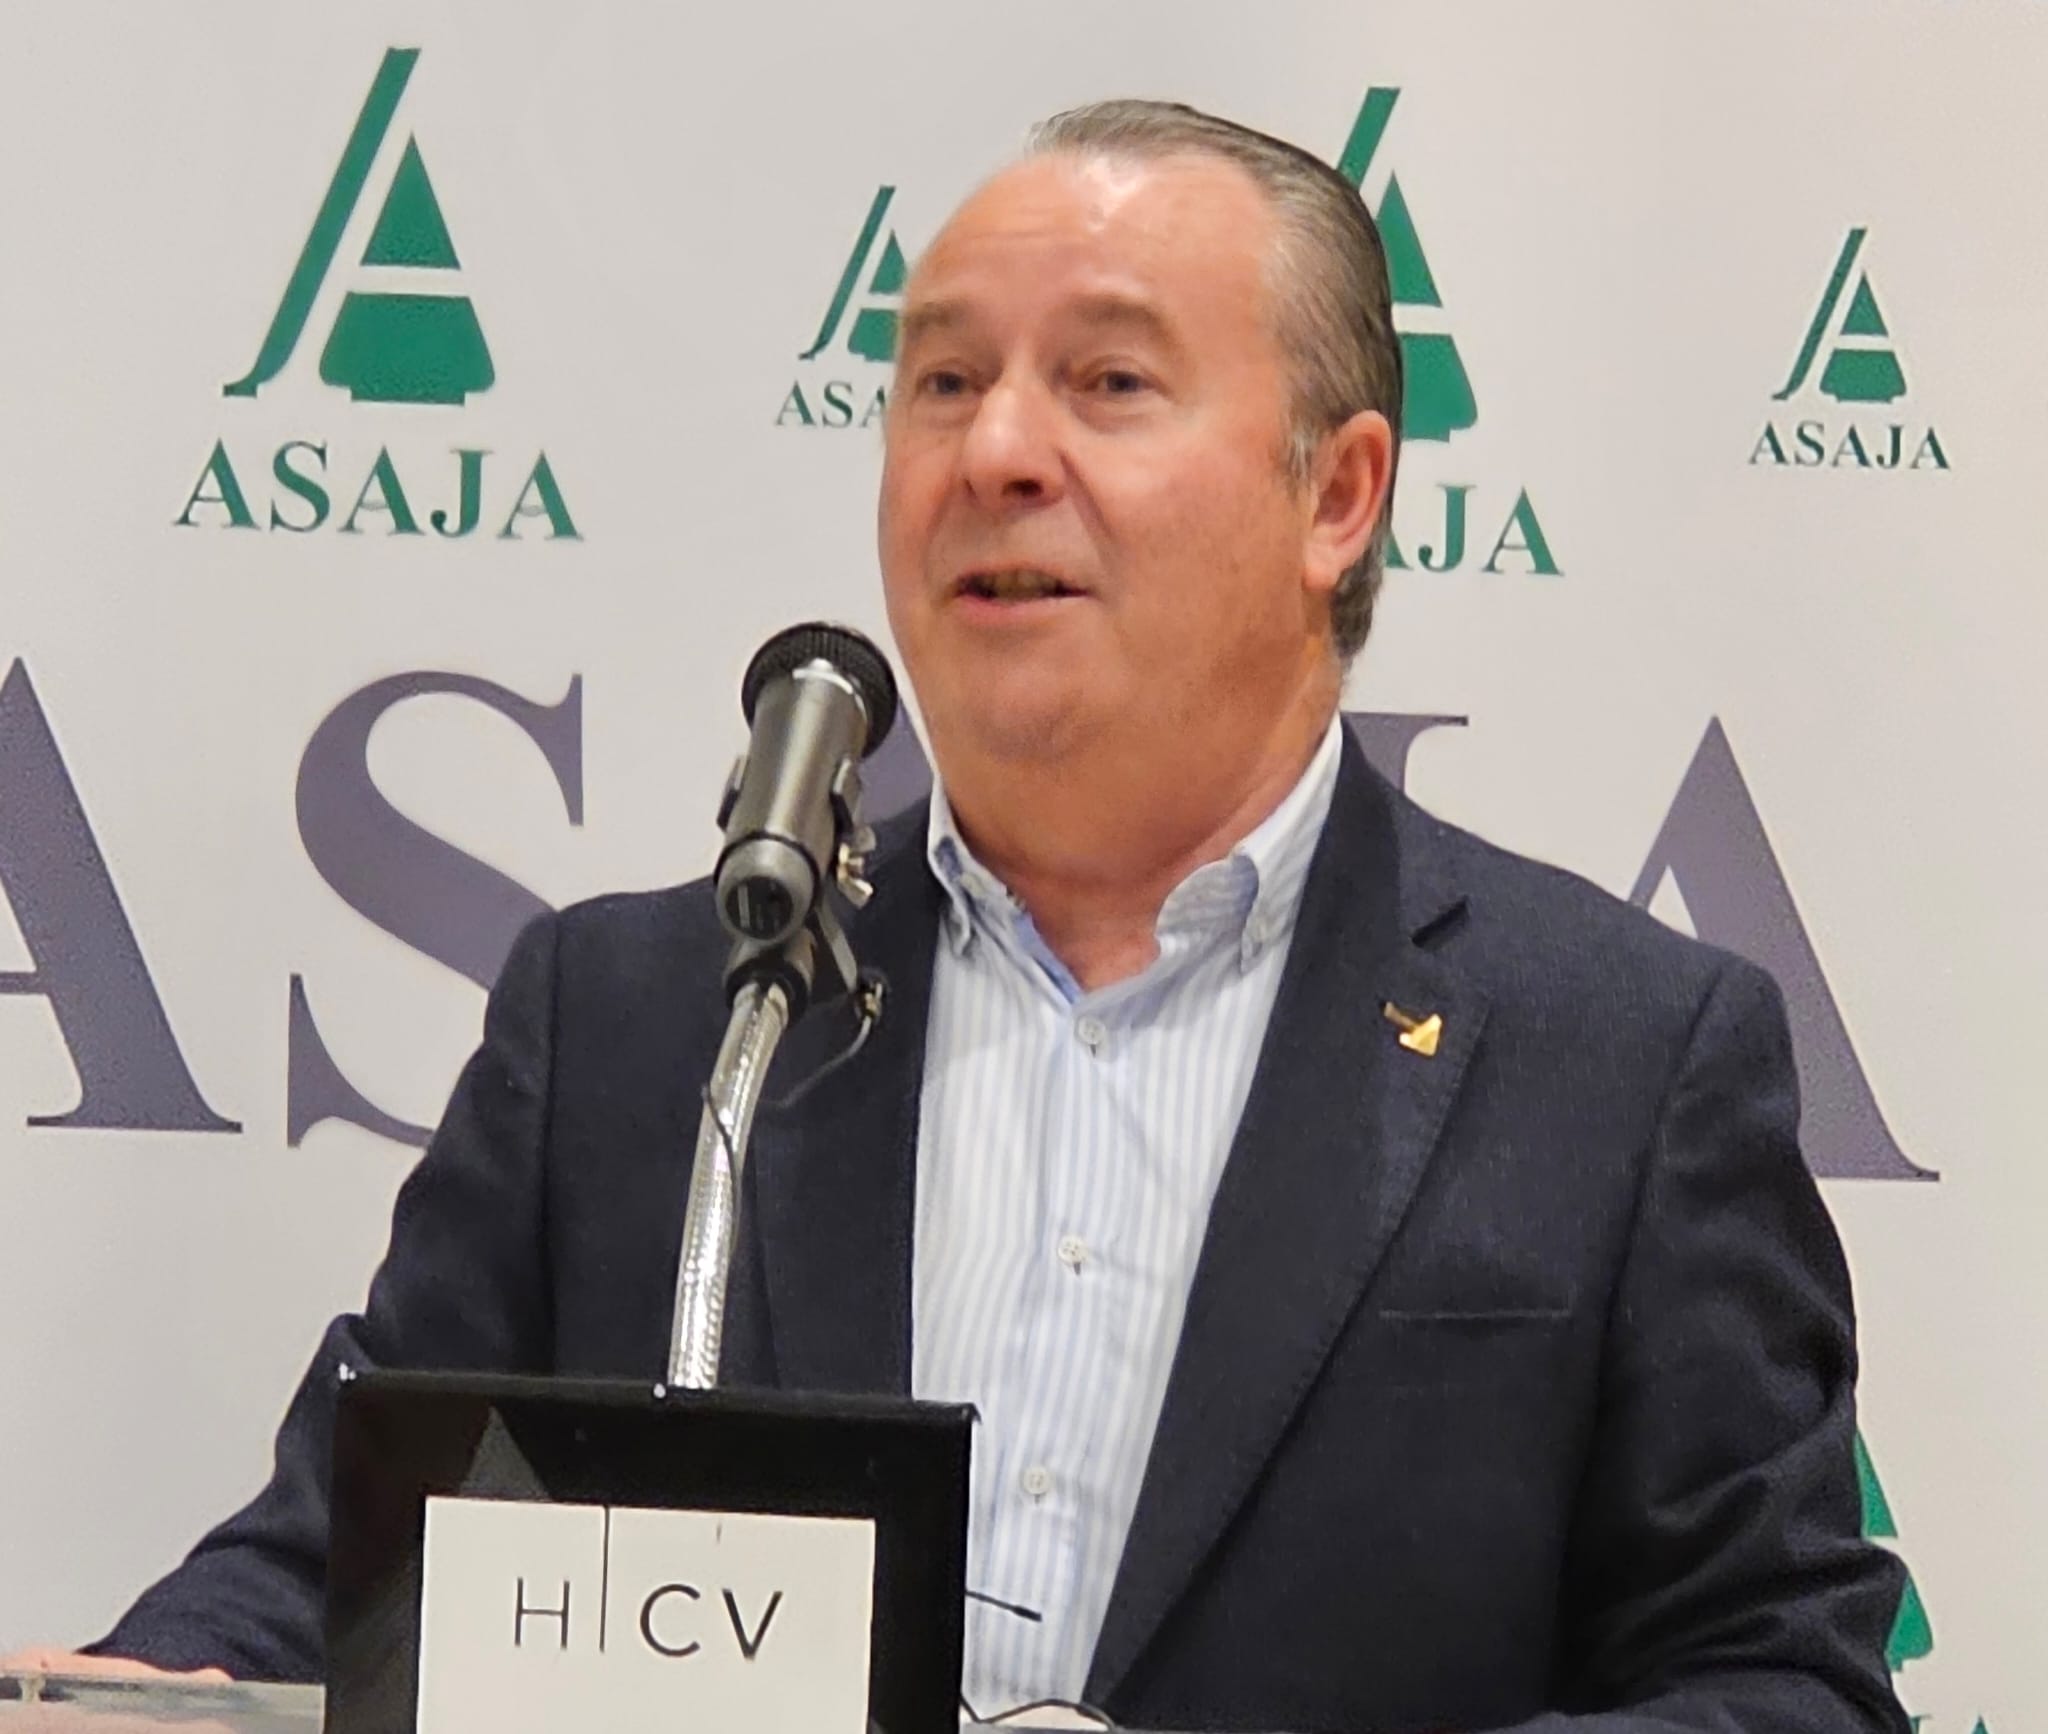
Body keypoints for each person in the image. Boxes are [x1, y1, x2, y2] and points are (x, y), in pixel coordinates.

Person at [8, 101, 1907, 1732]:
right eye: (939, 381)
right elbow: (344, 1572)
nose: (994, 451)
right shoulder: (646, 1022)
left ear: (1337, 495)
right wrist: (135, 1694)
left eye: (1109, 381)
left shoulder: (1617, 1060)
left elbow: (1783, 1680)